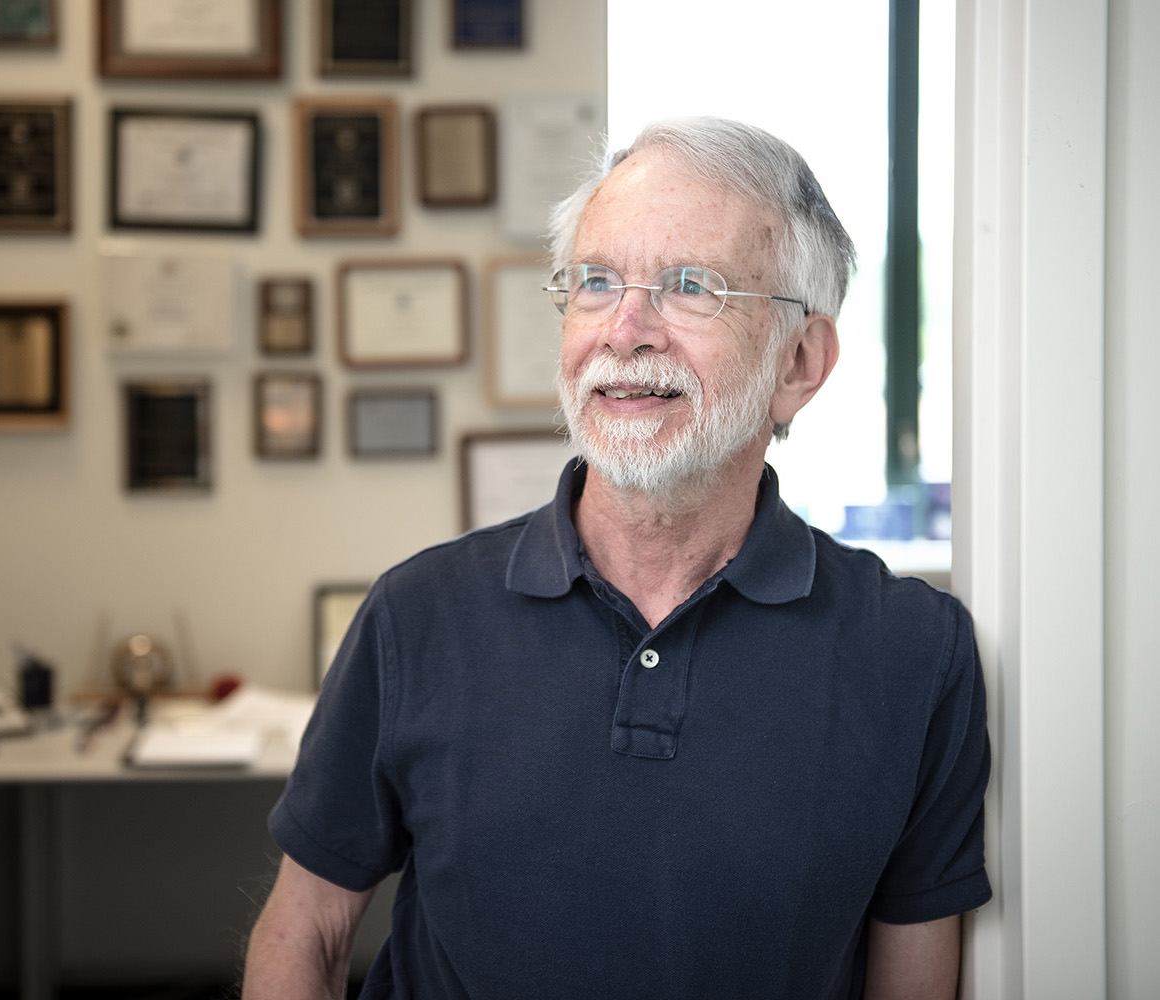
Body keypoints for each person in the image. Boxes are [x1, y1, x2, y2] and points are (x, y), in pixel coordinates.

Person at [242, 117, 992, 999]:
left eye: (689, 286)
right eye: (596, 282)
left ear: (799, 361)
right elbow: (306, 935)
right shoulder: (418, 614)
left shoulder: (913, 651)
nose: (626, 329)